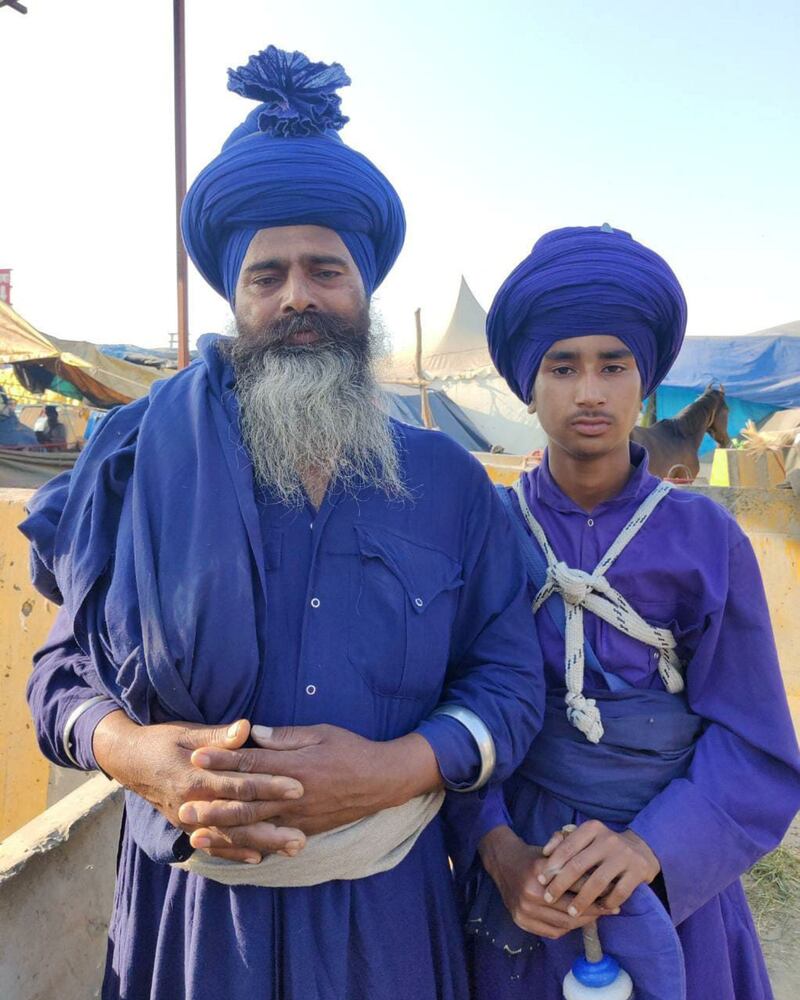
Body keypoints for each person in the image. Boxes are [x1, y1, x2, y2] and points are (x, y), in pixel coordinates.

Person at [20, 46, 543, 1000]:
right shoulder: (140, 462)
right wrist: (137, 754)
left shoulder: (451, 483)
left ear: (366, 290)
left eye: (324, 270)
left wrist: (396, 769)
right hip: (190, 924)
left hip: (385, 921)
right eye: (268, 275)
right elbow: (60, 677)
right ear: (236, 296)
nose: (297, 295)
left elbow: (510, 683)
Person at [447, 225, 800, 999]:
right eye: (562, 366)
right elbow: (452, 709)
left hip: (673, 881)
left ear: (647, 381)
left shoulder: (706, 538)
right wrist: (498, 849)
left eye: (614, 365)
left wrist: (652, 849)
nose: (590, 391)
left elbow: (754, 740)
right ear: (526, 386)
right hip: (522, 883)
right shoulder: (487, 533)